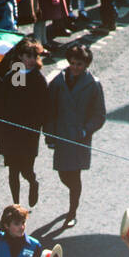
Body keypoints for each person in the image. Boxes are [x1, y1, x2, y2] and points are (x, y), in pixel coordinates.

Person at [44, 43, 106, 227]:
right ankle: (74, 198)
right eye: (72, 63)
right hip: (62, 135)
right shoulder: (58, 81)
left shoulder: (93, 84)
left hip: (79, 138)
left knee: (75, 176)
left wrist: (86, 130)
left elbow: (99, 115)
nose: (75, 67)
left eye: (79, 64)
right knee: (63, 174)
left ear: (86, 65)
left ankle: (72, 212)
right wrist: (50, 136)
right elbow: (50, 111)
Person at [0, 39, 48, 209]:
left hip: (28, 133)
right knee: (13, 170)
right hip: (11, 132)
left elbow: (43, 107)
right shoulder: (16, 74)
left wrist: (34, 123)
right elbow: (6, 101)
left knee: (26, 169)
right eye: (27, 56)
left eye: (34, 56)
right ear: (21, 56)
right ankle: (16, 205)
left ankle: (33, 183)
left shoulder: (38, 78)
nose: (30, 59)